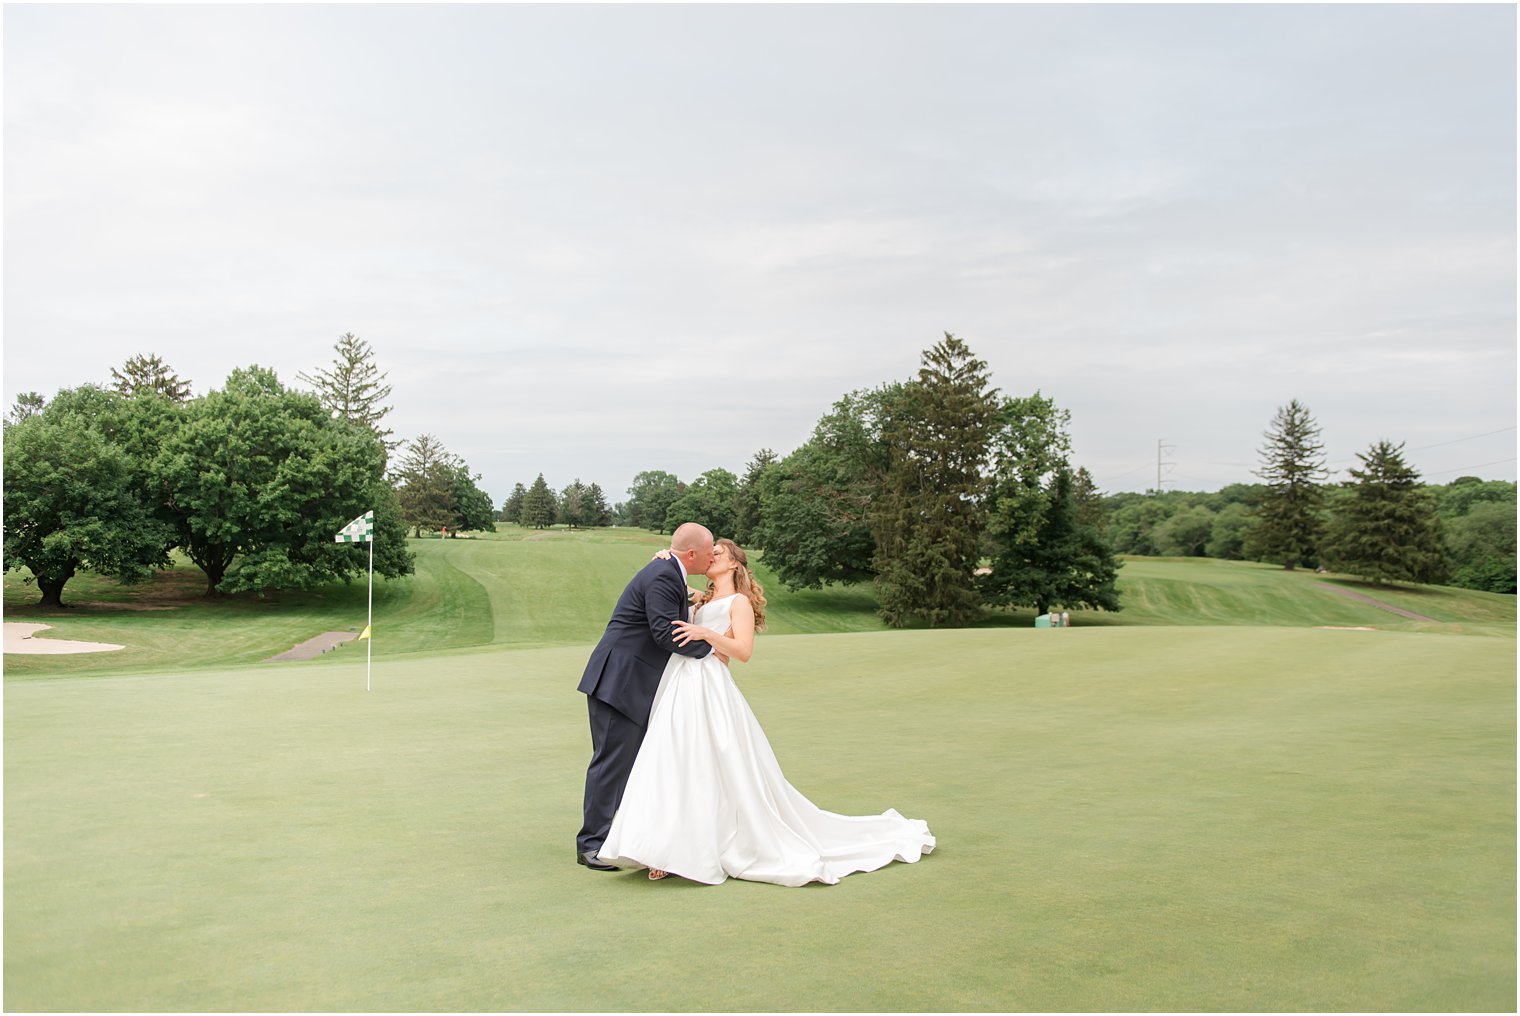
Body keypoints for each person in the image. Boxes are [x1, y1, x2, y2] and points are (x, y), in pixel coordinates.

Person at [597, 538, 935, 886]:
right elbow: (673, 578)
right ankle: (663, 846)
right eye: (709, 552)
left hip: (709, 687)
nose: (711, 556)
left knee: (707, 763)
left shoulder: (739, 602)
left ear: (733, 565)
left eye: (719, 553)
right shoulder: (702, 598)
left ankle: (697, 848)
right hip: (679, 683)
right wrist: (666, 557)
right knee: (671, 759)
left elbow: (743, 651)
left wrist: (706, 634)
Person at [575, 522, 716, 871]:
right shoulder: (664, 574)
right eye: (710, 550)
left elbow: (670, 603)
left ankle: (616, 836)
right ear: (692, 554)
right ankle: (591, 843)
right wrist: (712, 649)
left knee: (627, 763)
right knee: (610, 763)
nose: (713, 556)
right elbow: (664, 634)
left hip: (630, 683)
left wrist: (694, 595)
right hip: (618, 682)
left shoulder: (669, 573)